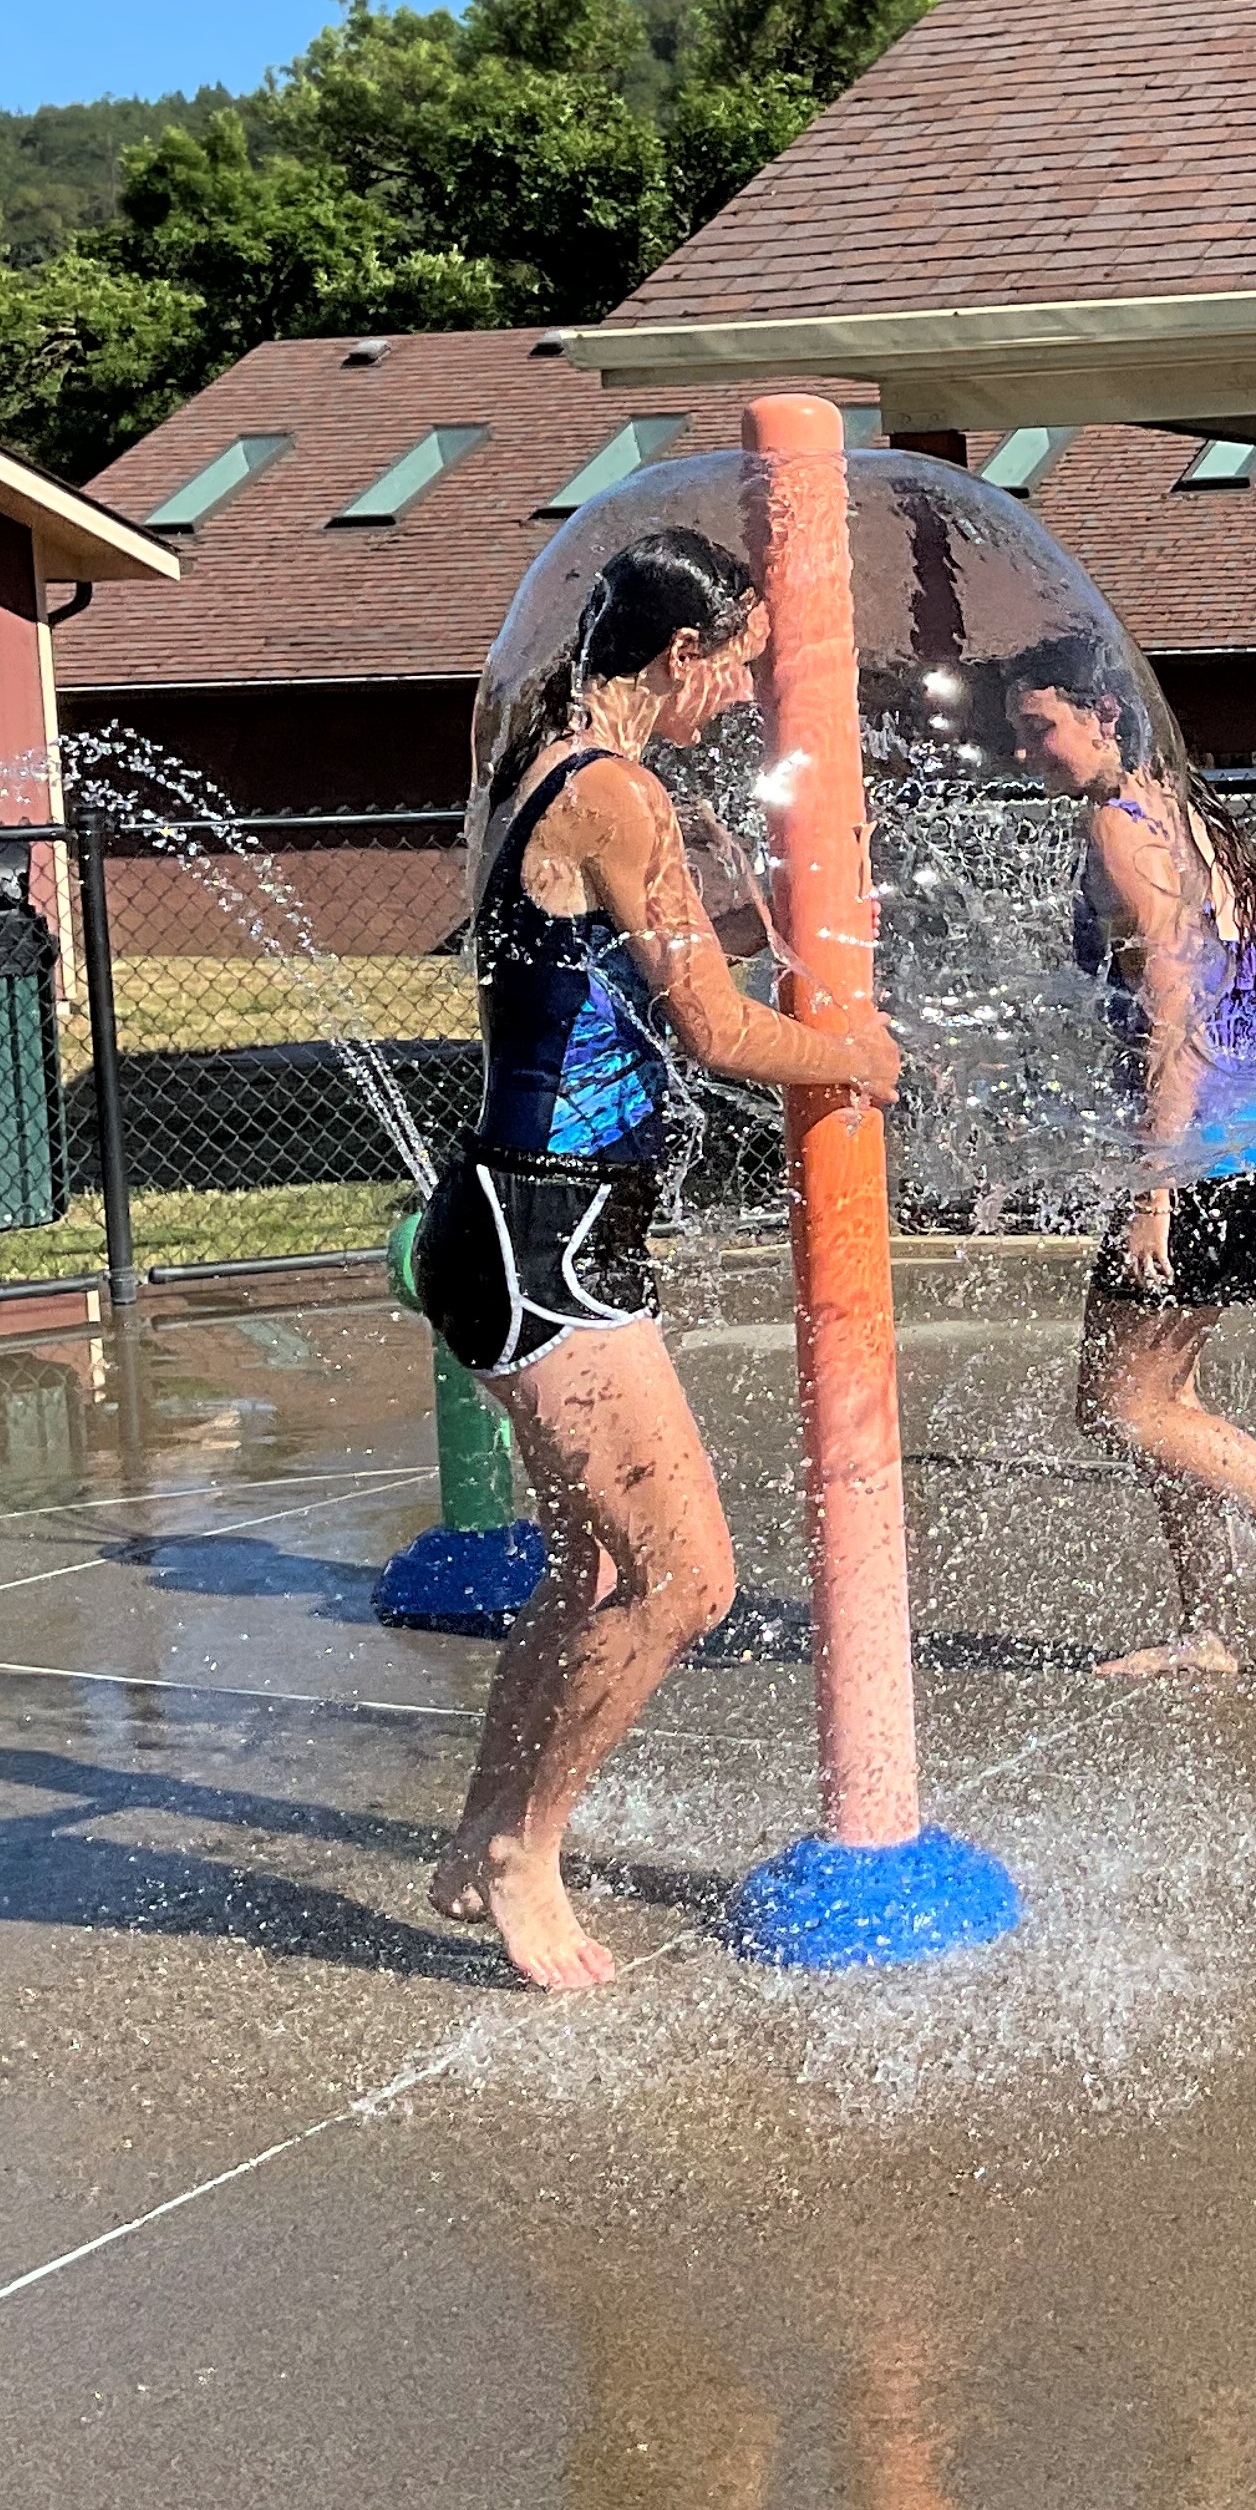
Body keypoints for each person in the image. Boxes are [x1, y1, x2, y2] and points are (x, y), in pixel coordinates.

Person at [411, 530, 902, 1990]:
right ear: (681, 655)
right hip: (541, 1232)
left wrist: (783, 913)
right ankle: (520, 1849)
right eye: (738, 663)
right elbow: (720, 1031)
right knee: (684, 1582)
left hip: (540, 1224)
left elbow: (630, 963)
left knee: (590, 1567)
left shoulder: (554, 772)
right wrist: (859, 1056)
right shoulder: (616, 791)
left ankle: (487, 1832)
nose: (744, 695)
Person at [1003, 633, 1256, 1677]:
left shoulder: (1117, 832)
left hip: (1199, 1164)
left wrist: (1155, 1190)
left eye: (1040, 727)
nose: (1027, 751)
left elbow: (1172, 1016)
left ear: (1102, 716)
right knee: (1167, 1405)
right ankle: (1204, 1629)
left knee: (1119, 1404)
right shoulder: (1194, 816)